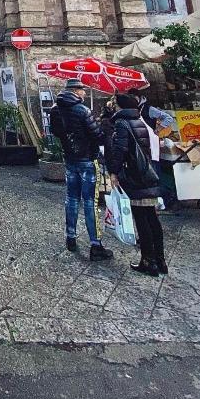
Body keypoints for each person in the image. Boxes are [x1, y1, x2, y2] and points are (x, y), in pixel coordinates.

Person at [51, 78, 113, 261]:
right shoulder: (82, 110)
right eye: (83, 90)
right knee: (89, 202)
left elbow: (55, 132)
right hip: (87, 159)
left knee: (71, 199)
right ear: (76, 91)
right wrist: (104, 126)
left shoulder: (55, 110)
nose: (85, 93)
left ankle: (71, 237)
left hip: (70, 158)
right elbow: (98, 136)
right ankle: (95, 244)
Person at [106, 93, 166, 276]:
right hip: (148, 175)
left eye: (115, 103)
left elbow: (120, 151)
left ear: (120, 106)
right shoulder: (140, 121)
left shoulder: (122, 124)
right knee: (152, 219)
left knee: (142, 219)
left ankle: (148, 261)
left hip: (136, 177)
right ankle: (160, 260)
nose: (112, 106)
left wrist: (114, 172)